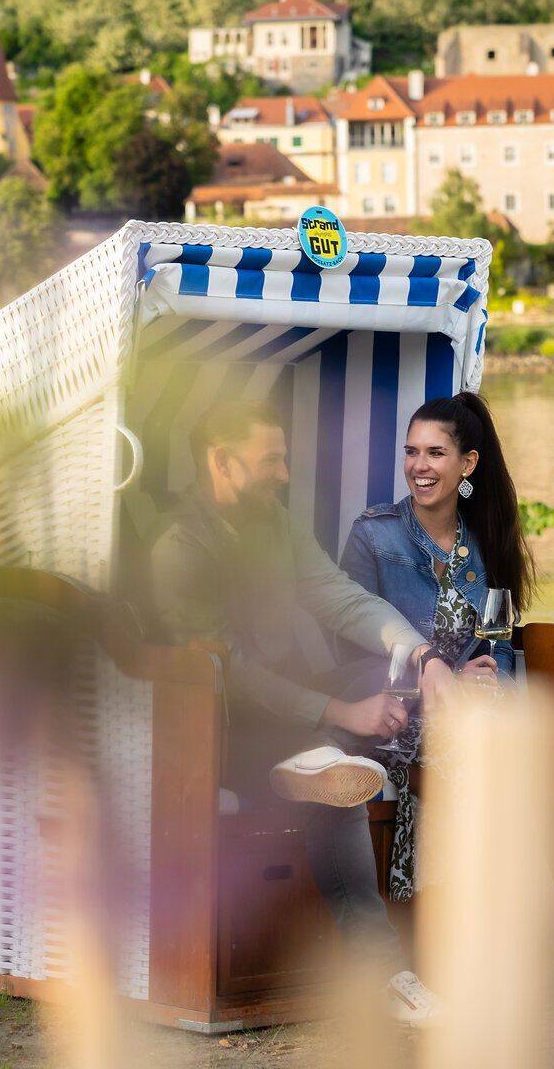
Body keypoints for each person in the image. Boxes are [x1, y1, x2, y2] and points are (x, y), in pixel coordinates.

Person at [341, 391, 554, 1003]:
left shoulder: (483, 545)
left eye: (436, 453)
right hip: (388, 716)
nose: (419, 465)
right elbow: (351, 649)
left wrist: (490, 683)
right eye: (411, 452)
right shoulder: (376, 536)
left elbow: (500, 654)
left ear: (468, 463)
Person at [147, 400, 461, 1026]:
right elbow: (228, 672)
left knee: (391, 678)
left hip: (305, 708)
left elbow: (340, 598)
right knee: (333, 784)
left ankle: (328, 755)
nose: (285, 474)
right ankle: (383, 970)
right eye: (272, 460)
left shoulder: (275, 523)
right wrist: (342, 708)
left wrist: (421, 655)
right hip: (225, 728)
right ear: (221, 462)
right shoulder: (180, 549)